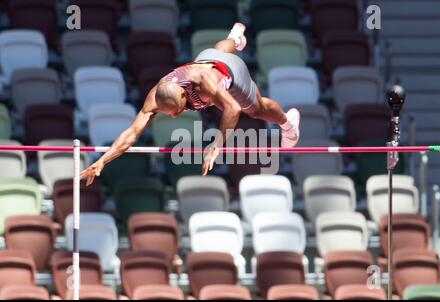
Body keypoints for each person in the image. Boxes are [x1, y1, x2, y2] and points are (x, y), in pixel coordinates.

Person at [81, 23, 300, 185]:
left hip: (231, 72)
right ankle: (235, 37)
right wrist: (103, 160)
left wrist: (217, 145)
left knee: (255, 110)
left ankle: (287, 123)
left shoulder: (203, 84)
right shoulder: (156, 95)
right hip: (207, 57)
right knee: (217, 50)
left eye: (176, 111)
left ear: (185, 96)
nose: (174, 116)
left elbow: (232, 108)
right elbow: (131, 133)